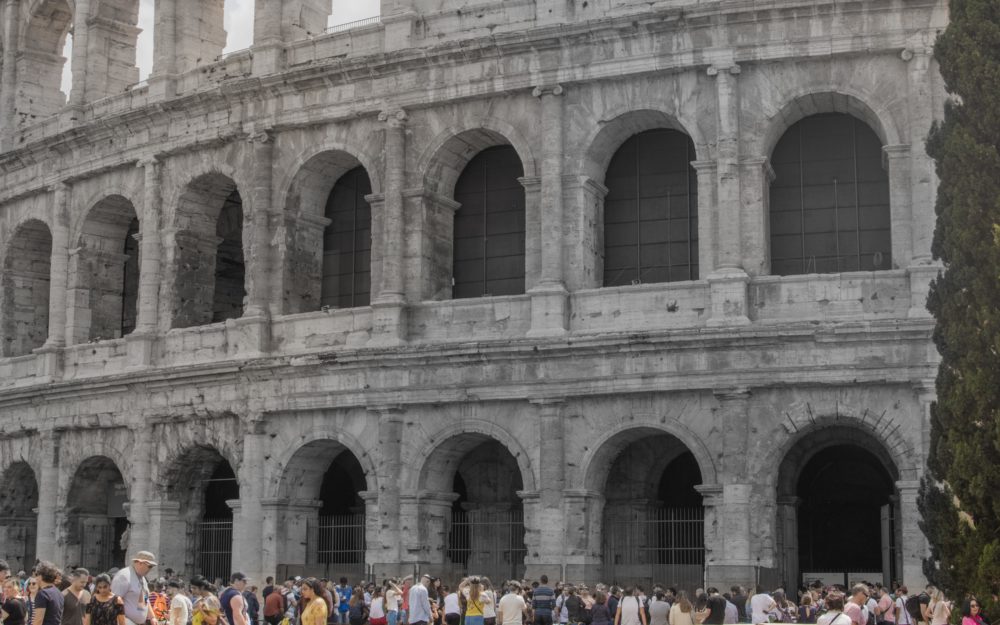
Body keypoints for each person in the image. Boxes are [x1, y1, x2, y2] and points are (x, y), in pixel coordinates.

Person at [111, 552, 156, 625]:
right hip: (125, 621)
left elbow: (145, 600)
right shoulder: (124, 576)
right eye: (149, 566)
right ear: (140, 563)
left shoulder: (143, 578)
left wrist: (152, 617)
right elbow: (114, 601)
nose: (150, 569)